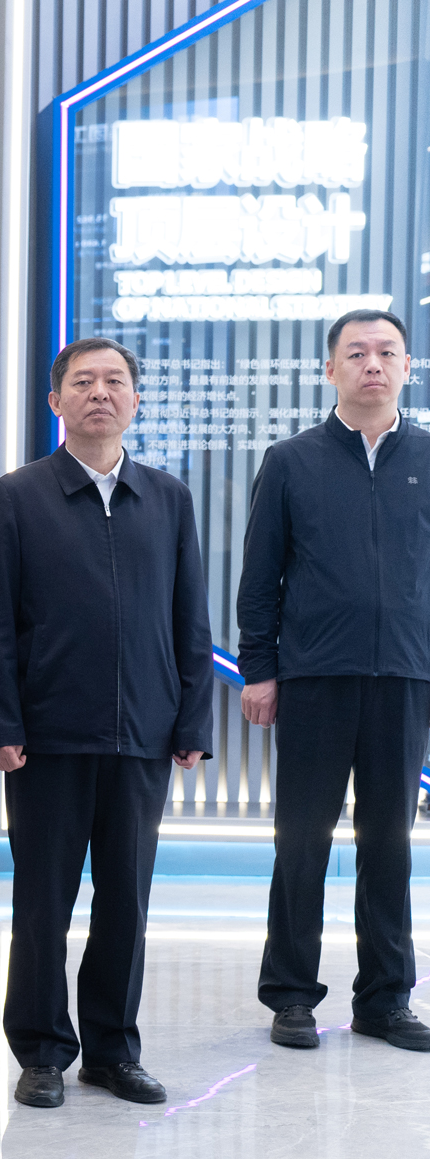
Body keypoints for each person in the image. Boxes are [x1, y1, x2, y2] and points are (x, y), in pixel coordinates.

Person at [0, 337, 212, 1111]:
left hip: (143, 733)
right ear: (56, 401)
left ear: (135, 400)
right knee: (43, 901)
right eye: (83, 381)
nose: (100, 393)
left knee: (126, 903)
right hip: (47, 735)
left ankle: (112, 1049)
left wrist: (192, 718)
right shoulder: (17, 496)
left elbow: (189, 619)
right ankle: (42, 1049)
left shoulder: (168, 498)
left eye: (114, 381)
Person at [239, 309, 430, 1052]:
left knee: (390, 844)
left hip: (404, 677)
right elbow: (261, 578)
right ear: (330, 370)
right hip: (314, 677)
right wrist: (260, 669)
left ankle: (385, 998)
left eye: (387, 352)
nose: (372, 364)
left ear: (407, 367)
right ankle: (291, 994)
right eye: (356, 353)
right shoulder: (292, 460)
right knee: (301, 841)